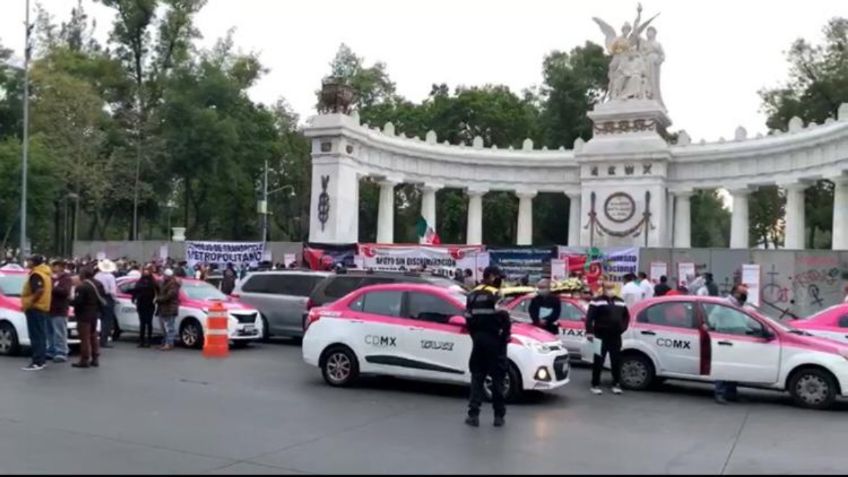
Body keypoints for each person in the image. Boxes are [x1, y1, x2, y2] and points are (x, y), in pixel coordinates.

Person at [464, 266, 511, 428]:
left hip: (478, 340)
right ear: (491, 276)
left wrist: (476, 336)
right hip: (495, 341)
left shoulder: (472, 295)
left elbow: (468, 319)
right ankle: (498, 416)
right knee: (497, 379)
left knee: (477, 377)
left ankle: (473, 415)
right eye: (499, 277)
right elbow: (505, 317)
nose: (501, 281)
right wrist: (505, 336)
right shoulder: (496, 294)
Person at [585, 279, 630, 395]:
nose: (610, 290)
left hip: (615, 335)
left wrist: (622, 328)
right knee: (598, 361)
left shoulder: (620, 301)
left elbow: (626, 317)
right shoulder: (596, 301)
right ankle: (595, 384)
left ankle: (616, 383)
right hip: (600, 335)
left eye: (612, 288)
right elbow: (589, 318)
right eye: (608, 288)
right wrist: (589, 332)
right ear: (603, 289)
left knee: (616, 360)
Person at [711, 283, 749, 405]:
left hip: (739, 340)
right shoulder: (724, 304)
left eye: (746, 293)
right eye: (743, 293)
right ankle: (720, 393)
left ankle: (731, 393)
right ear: (735, 293)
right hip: (726, 340)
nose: (745, 296)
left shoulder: (740, 305)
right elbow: (712, 319)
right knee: (723, 367)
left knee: (734, 367)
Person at [21, 255, 52, 371]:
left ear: (33, 263)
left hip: (35, 308)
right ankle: (41, 360)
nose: (27, 262)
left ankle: (37, 362)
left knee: (36, 336)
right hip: (43, 307)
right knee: (41, 335)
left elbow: (39, 290)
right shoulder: (45, 274)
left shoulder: (36, 275)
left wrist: (29, 302)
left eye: (28, 260)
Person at [71, 266, 106, 368]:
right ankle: (95, 358)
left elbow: (78, 302)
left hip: (83, 315)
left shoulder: (82, 287)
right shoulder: (98, 284)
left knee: (84, 338)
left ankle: (84, 359)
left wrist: (69, 301)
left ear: (83, 275)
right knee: (93, 336)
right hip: (94, 313)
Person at [46, 260, 72, 363]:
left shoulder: (66, 279)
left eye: (55, 266)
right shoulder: (52, 278)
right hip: (50, 308)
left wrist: (52, 288)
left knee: (59, 332)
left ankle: (61, 352)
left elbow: (65, 292)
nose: (53, 268)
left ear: (61, 267)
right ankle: (51, 350)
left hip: (60, 309)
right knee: (50, 332)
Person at [132, 265, 158, 348]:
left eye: (147, 270)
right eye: (144, 270)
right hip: (141, 304)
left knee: (149, 323)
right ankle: (141, 340)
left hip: (150, 304)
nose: (145, 272)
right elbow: (135, 290)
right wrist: (134, 298)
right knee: (142, 323)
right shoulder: (140, 281)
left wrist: (156, 299)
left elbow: (158, 291)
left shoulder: (153, 281)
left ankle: (149, 341)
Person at [95, 259, 118, 347]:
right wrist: (114, 299)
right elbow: (113, 290)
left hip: (98, 297)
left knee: (98, 319)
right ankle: (103, 340)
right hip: (107, 297)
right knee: (107, 320)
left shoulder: (97, 275)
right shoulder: (110, 277)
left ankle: (96, 338)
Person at [156, 269, 181, 351]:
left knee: (169, 327)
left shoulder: (173, 284)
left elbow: (169, 295)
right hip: (163, 308)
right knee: (164, 327)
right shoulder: (165, 283)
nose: (163, 277)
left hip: (170, 308)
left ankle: (169, 343)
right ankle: (165, 342)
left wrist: (158, 299)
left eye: (165, 275)